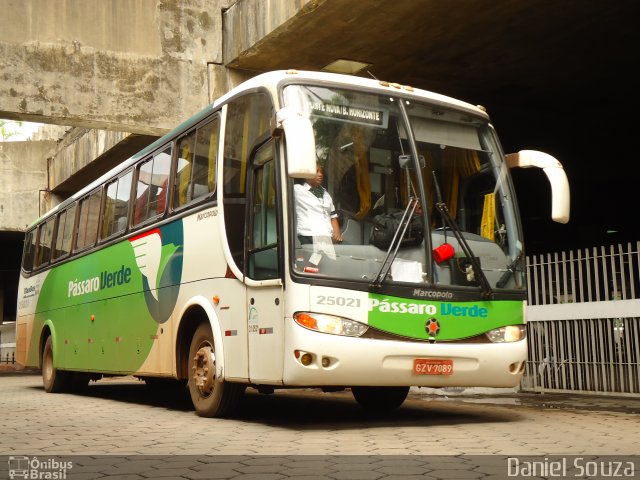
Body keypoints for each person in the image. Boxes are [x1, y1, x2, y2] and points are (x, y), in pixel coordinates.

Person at [294, 164, 343, 244]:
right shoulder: (298, 190)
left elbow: (332, 215)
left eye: (321, 172)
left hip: (327, 237)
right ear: (307, 176)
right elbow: (277, 186)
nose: (320, 175)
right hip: (308, 236)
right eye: (316, 172)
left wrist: (337, 233)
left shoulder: (325, 193)